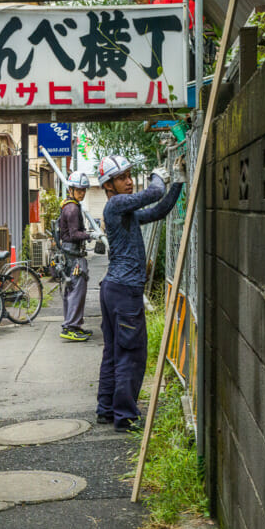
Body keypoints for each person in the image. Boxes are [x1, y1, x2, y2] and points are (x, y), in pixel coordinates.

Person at [94, 154, 185, 432]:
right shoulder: (117, 204)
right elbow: (154, 193)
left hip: (114, 288)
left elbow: (158, 210)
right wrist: (160, 175)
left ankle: (107, 409)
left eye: (130, 175)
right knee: (130, 354)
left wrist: (178, 183)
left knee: (113, 351)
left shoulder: (125, 213)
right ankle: (126, 416)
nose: (129, 181)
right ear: (108, 185)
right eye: (122, 178)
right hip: (124, 290)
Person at [57, 171, 94, 342]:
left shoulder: (68, 205)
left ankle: (74, 325)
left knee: (72, 289)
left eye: (84, 190)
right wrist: (90, 235)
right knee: (77, 290)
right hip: (73, 255)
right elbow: (73, 234)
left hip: (68, 254)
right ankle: (71, 326)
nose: (82, 193)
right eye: (79, 190)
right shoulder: (72, 208)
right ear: (71, 189)